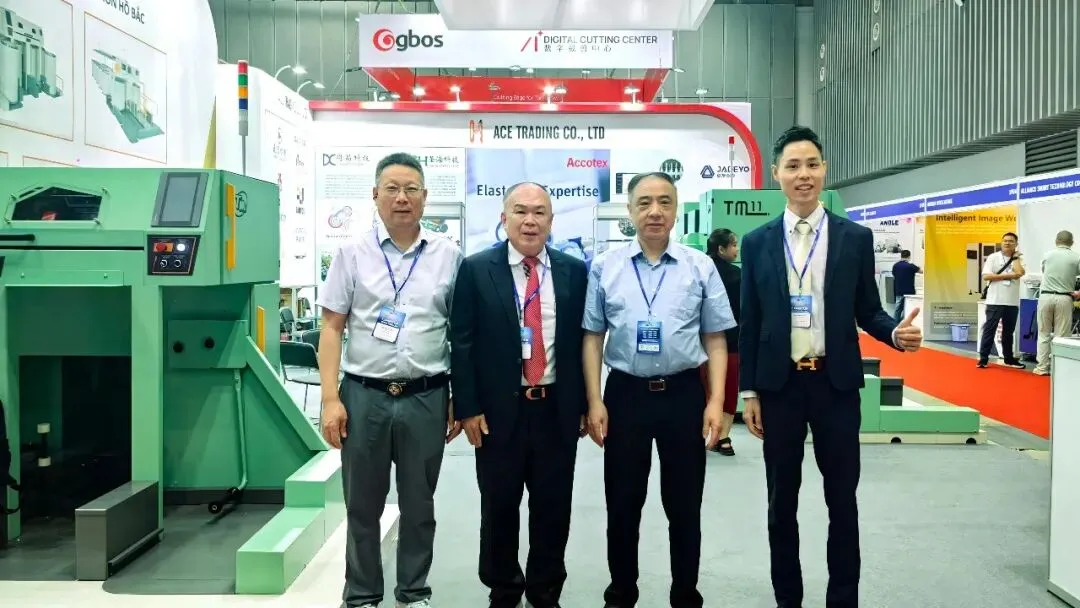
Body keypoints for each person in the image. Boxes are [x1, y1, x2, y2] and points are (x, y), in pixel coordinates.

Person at [738, 126, 923, 608]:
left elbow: (869, 310)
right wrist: (749, 391)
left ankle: (843, 599)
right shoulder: (756, 242)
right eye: (793, 166)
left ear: (824, 170)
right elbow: (751, 322)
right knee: (781, 503)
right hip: (779, 388)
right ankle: (788, 599)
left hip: (835, 387)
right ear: (776, 173)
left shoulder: (854, 238)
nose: (803, 175)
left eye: (812, 164)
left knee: (842, 501)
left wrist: (894, 334)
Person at [316, 152, 464, 608]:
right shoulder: (351, 254)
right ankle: (362, 595)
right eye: (393, 189)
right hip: (365, 396)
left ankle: (414, 592)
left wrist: (459, 396)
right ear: (375, 195)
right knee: (362, 505)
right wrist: (330, 399)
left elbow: (460, 332)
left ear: (425, 197)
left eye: (411, 189)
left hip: (426, 396)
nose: (402, 198)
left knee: (420, 505)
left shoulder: (448, 256)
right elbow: (332, 328)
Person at [582, 171, 735, 608]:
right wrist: (594, 399)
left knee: (684, 504)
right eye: (645, 202)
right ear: (630, 211)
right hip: (625, 395)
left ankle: (685, 593)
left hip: (683, 394)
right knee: (622, 503)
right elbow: (592, 336)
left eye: (665, 202)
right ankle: (621, 592)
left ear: (676, 209)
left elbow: (716, 339)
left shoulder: (699, 266)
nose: (655, 211)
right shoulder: (606, 266)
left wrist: (716, 401)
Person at [449, 182, 589, 608]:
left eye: (540, 212)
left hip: (555, 410)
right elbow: (462, 341)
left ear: (551, 220)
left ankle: (545, 590)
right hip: (497, 413)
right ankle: (504, 588)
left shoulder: (574, 270)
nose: (530, 221)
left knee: (553, 506)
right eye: (521, 211)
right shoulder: (476, 269)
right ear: (504, 217)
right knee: (499, 506)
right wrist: (468, 407)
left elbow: (583, 342)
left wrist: (584, 404)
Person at [703, 228, 741, 456]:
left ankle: (703, 433)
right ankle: (723, 438)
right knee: (728, 389)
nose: (737, 249)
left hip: (699, 343)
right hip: (731, 342)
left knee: (702, 390)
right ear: (721, 249)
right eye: (734, 245)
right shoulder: (737, 275)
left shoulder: (698, 270)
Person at [1033, 230, 1080, 375]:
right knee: (1062, 336)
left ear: (1056, 241)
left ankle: (1042, 367)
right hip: (1065, 298)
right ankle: (1058, 369)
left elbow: (1044, 271)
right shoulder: (1076, 257)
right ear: (1072, 242)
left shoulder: (1047, 255)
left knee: (1043, 334)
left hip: (1045, 296)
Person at [978, 232, 1026, 369]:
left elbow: (1020, 273)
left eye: (1011, 241)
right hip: (995, 300)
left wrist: (1015, 258)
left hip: (1011, 301)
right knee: (990, 329)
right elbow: (986, 276)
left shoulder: (1019, 259)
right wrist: (1009, 275)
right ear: (1001, 242)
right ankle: (983, 359)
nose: (1007, 243)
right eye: (1005, 240)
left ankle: (1008, 358)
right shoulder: (993, 257)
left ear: (1016, 244)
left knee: (1008, 332)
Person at [890, 250, 921, 322]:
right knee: (908, 308)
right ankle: (905, 323)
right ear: (909, 256)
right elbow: (921, 271)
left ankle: (895, 324)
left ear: (901, 256)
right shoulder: (911, 266)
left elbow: (894, 275)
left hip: (899, 290)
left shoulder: (895, 266)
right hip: (909, 292)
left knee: (898, 309)